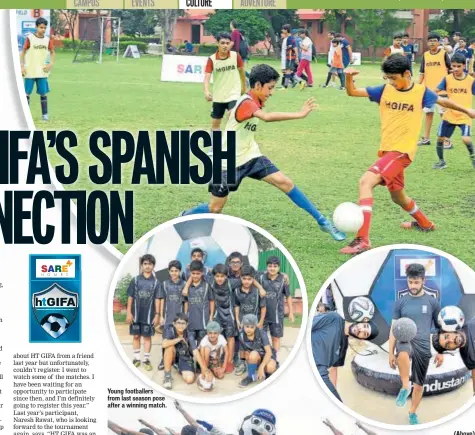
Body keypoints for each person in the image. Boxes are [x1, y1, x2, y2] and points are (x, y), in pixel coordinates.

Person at [181, 64, 346, 242]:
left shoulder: (253, 101)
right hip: (225, 163)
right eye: (270, 88)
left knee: (285, 182)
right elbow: (266, 117)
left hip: (250, 156)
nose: (271, 92)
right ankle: (186, 215)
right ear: (258, 85)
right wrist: (299, 114)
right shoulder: (247, 103)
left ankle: (322, 221)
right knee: (215, 209)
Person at [341, 54, 475, 255]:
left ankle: (362, 239)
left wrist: (467, 110)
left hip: (402, 151)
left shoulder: (421, 92)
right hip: (388, 150)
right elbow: (352, 92)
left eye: (394, 78)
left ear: (407, 74)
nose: (391, 82)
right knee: (398, 197)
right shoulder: (384, 90)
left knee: (365, 182)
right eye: (387, 78)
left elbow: (444, 102)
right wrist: (349, 77)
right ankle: (425, 224)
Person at [389, 263, 443, 425]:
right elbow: (393, 329)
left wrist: (441, 351)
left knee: (419, 385)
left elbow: (440, 328)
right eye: (410, 282)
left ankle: (412, 412)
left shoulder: (432, 302)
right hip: (405, 340)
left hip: (423, 345)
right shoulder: (400, 302)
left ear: (423, 281)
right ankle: (405, 386)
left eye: (416, 283)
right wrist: (391, 352)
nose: (412, 286)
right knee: (403, 352)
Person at [311, 310, 379, 402]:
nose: (361, 330)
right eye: (365, 326)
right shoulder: (334, 318)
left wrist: (332, 398)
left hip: (319, 375)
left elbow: (333, 369)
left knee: (338, 405)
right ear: (362, 321)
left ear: (362, 338)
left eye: (365, 333)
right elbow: (308, 328)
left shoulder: (343, 347)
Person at [432, 52, 475, 170]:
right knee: (440, 138)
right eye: (453, 66)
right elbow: (435, 90)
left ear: (464, 66)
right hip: (449, 114)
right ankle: (441, 161)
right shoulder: (447, 79)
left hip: (464, 115)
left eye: (458, 66)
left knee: (465, 139)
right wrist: (438, 99)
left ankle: (473, 158)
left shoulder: (470, 80)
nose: (455, 69)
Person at [204, 32, 246, 132]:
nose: (225, 46)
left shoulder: (236, 56)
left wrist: (243, 88)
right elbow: (207, 77)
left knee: (232, 117)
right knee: (215, 125)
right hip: (218, 96)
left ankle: (231, 145)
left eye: (227, 43)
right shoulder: (212, 59)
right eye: (222, 43)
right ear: (217, 43)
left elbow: (242, 73)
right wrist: (206, 91)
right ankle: (215, 146)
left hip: (233, 94)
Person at [126, 254, 160, 371]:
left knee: (146, 337)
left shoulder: (156, 282)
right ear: (141, 265)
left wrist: (157, 315)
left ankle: (146, 359)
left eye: (149, 264)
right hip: (136, 314)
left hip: (149, 315)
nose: (147, 266)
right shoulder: (135, 280)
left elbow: (157, 299)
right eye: (145, 264)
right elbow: (130, 296)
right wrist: (128, 312)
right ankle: (136, 358)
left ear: (153, 266)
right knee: (136, 336)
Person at [162, 313, 212, 390]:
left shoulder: (189, 334)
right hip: (173, 355)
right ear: (174, 324)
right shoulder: (170, 329)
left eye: (183, 323)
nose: (181, 325)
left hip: (184, 357)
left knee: (189, 380)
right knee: (169, 347)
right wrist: (178, 339)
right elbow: (164, 344)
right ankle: (167, 376)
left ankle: (180, 366)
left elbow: (195, 352)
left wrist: (204, 369)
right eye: (178, 323)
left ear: (187, 324)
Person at [418, 32, 451, 146]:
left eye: (434, 41)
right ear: (427, 43)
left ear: (438, 42)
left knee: (444, 115)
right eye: (430, 41)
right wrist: (418, 86)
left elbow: (450, 70)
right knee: (428, 114)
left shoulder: (443, 54)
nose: (432, 43)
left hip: (442, 91)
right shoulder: (425, 55)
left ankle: (447, 140)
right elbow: (422, 72)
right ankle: (426, 138)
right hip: (428, 91)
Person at [234, 265, 267, 376]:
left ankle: (258, 362)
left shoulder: (258, 291)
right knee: (243, 343)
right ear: (241, 278)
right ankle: (243, 363)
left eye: (249, 279)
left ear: (253, 279)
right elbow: (237, 305)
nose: (246, 281)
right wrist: (237, 319)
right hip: (243, 323)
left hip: (255, 323)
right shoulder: (237, 291)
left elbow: (263, 307)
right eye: (244, 279)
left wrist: (261, 322)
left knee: (257, 342)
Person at [20, 17, 55, 121]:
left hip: (42, 71)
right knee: (27, 93)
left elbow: (52, 52)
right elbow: (23, 53)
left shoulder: (47, 40)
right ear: (36, 27)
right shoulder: (30, 38)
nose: (43, 30)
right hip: (30, 71)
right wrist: (22, 66)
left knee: (43, 93)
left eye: (45, 28)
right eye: (41, 27)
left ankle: (45, 115)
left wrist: (51, 64)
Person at [258, 256, 294, 354]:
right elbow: (250, 275)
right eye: (270, 266)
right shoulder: (261, 277)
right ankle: (264, 357)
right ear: (266, 267)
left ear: (278, 268)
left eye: (275, 266)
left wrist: (291, 312)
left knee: (275, 338)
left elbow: (288, 296)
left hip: (277, 315)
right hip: (262, 315)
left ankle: (274, 359)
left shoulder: (283, 280)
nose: (272, 268)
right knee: (262, 338)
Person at [432, 315, 475, 396]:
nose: (451, 340)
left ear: (450, 330)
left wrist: (440, 353)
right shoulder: (468, 358)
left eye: (447, 336)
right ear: (451, 349)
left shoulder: (470, 324)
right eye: (448, 345)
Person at [209, 263, 238, 373]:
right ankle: (217, 361)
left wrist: (281, 274)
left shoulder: (232, 283)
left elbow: (252, 276)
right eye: (217, 276)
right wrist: (187, 285)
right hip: (217, 315)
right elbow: (195, 275)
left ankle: (229, 361)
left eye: (222, 276)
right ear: (214, 276)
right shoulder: (210, 281)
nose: (219, 279)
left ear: (226, 276)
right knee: (216, 338)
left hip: (229, 315)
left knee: (230, 338)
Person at [157, 260, 186, 370]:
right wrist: (161, 315)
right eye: (172, 271)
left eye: (176, 271)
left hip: (179, 318)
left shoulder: (184, 284)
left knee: (179, 339)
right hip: (168, 317)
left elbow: (185, 301)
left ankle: (177, 360)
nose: (174, 273)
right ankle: (163, 360)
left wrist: (185, 315)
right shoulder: (164, 284)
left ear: (180, 271)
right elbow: (162, 300)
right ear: (169, 272)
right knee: (166, 339)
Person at [238, 314, 277, 388]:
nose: (249, 329)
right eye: (247, 326)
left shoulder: (262, 333)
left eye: (252, 327)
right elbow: (242, 351)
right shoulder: (241, 335)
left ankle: (267, 376)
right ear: (243, 325)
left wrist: (262, 367)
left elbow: (269, 352)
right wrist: (244, 361)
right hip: (256, 356)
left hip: (267, 356)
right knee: (253, 354)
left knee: (270, 367)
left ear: (256, 326)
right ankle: (250, 377)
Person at [183, 260, 215, 344]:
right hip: (191, 321)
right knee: (191, 344)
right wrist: (185, 314)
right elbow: (186, 301)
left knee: (203, 344)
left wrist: (211, 316)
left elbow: (211, 301)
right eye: (193, 273)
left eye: (198, 273)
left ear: (202, 273)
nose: (195, 276)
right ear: (190, 273)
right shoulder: (187, 287)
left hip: (203, 322)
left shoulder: (207, 285)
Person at [279, 24, 299, 90]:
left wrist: (296, 57)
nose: (282, 30)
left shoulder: (290, 38)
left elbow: (294, 48)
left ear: (286, 30)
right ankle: (299, 81)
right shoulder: (287, 38)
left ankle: (285, 86)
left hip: (290, 57)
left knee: (288, 71)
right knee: (287, 71)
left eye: (283, 29)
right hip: (287, 57)